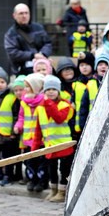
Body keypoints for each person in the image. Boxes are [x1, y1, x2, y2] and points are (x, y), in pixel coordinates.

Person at [33, 74, 74, 203]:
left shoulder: (65, 105)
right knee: (51, 169)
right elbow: (38, 129)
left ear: (58, 91)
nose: (50, 92)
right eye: (48, 90)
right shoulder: (40, 107)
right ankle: (54, 190)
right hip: (50, 145)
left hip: (63, 144)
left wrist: (49, 104)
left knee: (64, 169)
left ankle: (62, 192)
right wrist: (35, 146)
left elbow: (59, 118)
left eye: (53, 89)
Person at [15, 73, 47, 192]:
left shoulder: (44, 100)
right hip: (28, 137)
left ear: (36, 87)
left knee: (41, 162)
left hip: (41, 138)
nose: (25, 89)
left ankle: (42, 181)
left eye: (28, 87)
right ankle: (31, 180)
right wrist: (18, 126)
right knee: (30, 161)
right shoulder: (24, 101)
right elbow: (21, 117)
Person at [4, 3, 53, 75]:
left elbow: (48, 43)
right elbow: (12, 52)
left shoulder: (39, 27)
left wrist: (43, 54)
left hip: (42, 68)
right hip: (22, 70)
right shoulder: (10, 34)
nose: (24, 16)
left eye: (26, 13)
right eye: (21, 13)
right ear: (14, 15)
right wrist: (32, 55)